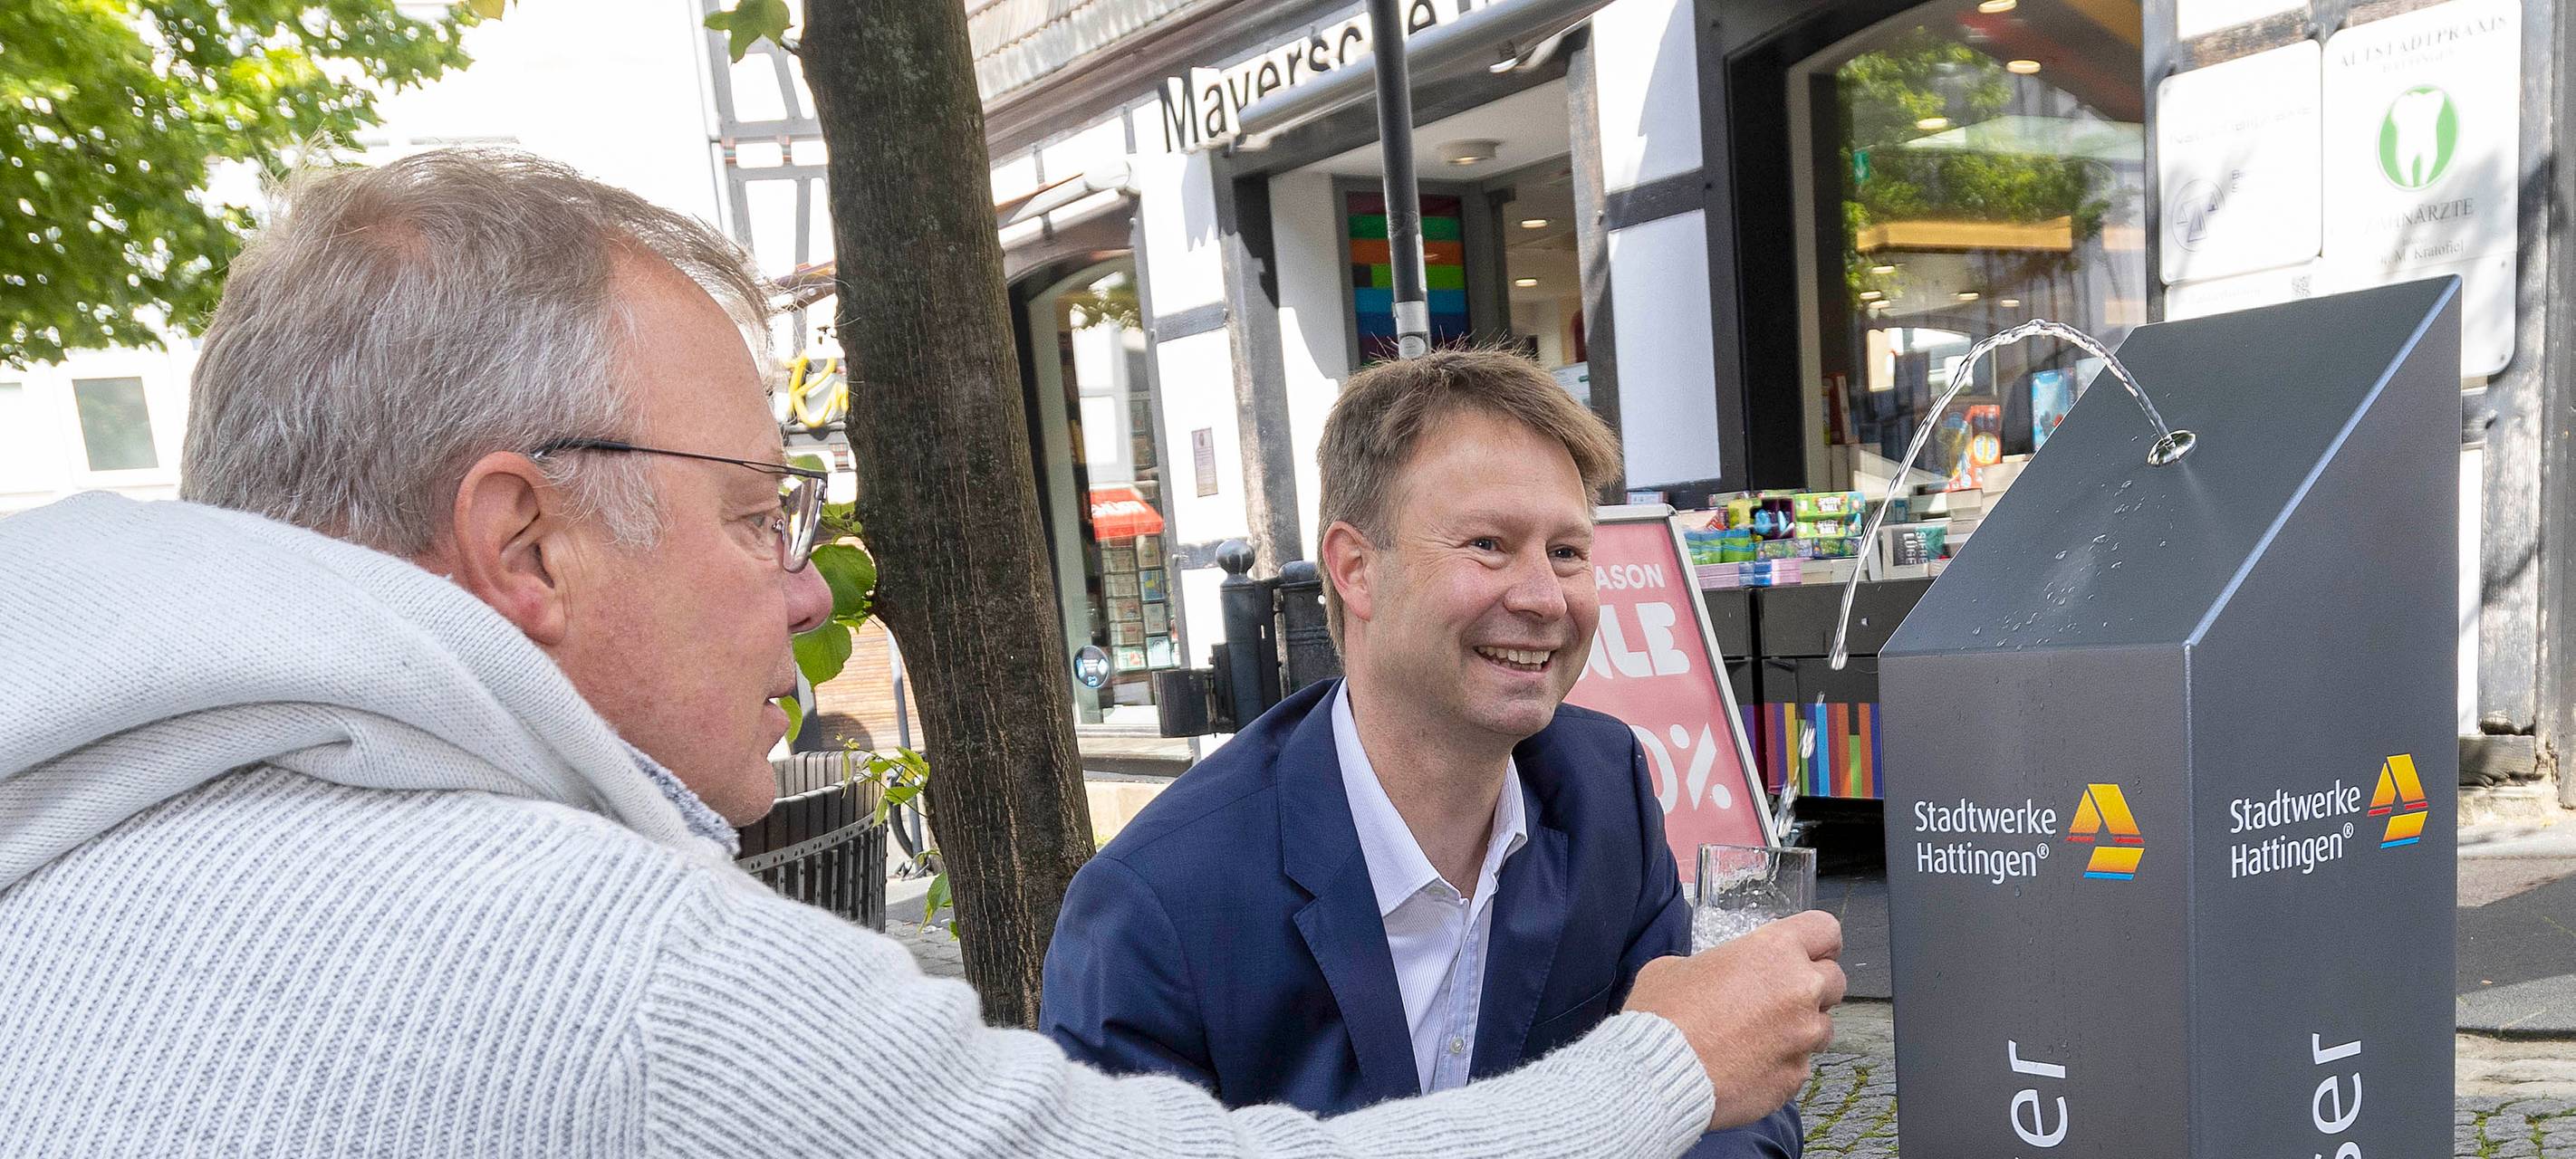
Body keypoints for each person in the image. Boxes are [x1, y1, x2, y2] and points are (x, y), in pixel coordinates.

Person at [0, 149, 1845, 1156]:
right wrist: (1664, 1061)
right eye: (756, 513)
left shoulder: (63, 860)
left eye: (1568, 548)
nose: (811, 592)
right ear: (524, 538)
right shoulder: (630, 973)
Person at [1039, 350, 1804, 1155]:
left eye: (1569, 552)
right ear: (1356, 570)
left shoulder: (1604, 783)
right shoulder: (1156, 907)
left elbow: (1725, 1083)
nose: (1545, 597)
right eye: (1488, 544)